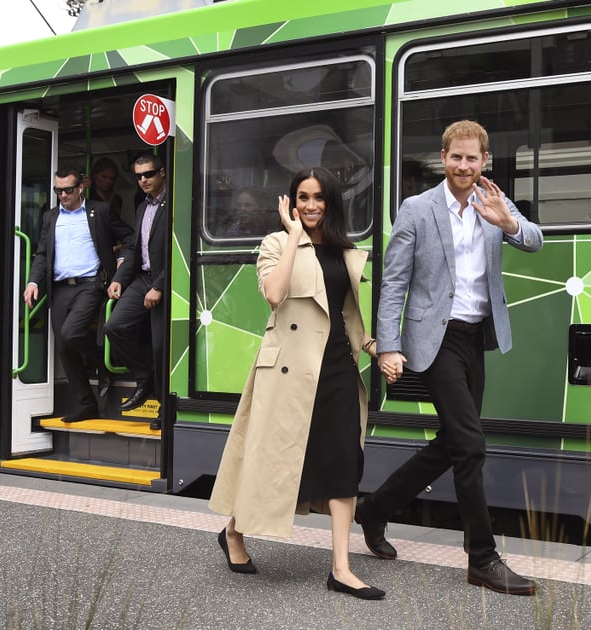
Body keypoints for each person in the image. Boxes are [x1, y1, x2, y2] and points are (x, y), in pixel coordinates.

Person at [355, 120, 543, 596]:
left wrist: (508, 222)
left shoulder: (494, 201)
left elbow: (535, 241)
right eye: (456, 157)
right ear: (444, 158)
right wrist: (389, 344)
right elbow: (394, 280)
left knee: (453, 444)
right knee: (471, 445)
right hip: (434, 340)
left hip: (476, 336)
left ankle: (375, 508)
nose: (464, 166)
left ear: (485, 162)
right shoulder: (417, 209)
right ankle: (482, 557)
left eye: (472, 158)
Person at [208, 167, 384, 600]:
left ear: (331, 202)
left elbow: (347, 316)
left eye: (319, 197)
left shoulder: (346, 249)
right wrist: (291, 236)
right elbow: (273, 294)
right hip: (288, 368)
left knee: (346, 460)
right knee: (273, 461)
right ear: (290, 201)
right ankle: (233, 532)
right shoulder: (275, 243)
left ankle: (341, 568)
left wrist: (379, 349)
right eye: (302, 197)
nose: (310, 205)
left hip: (338, 366)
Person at [23, 165, 133, 423]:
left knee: (70, 334)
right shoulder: (50, 217)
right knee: (64, 347)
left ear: (81, 187)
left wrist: (121, 260)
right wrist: (32, 282)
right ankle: (87, 405)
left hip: (90, 284)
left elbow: (129, 237)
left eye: (68, 190)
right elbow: (42, 253)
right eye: (57, 190)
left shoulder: (100, 211)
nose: (62, 195)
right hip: (60, 287)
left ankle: (102, 363)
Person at [103, 153, 170, 431]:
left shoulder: (174, 202)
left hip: (166, 281)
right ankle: (145, 379)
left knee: (160, 347)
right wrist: (119, 278)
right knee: (114, 326)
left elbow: (178, 250)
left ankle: (165, 411)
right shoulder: (142, 207)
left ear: (162, 173)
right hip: (142, 277)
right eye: (138, 176)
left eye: (149, 174)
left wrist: (160, 285)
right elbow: (133, 248)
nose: (143, 180)